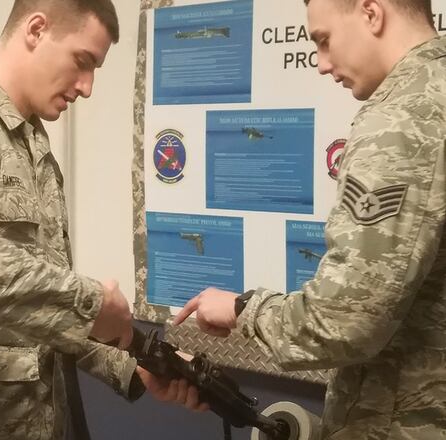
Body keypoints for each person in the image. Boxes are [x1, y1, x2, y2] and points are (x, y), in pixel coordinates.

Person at [0, 1, 204, 439]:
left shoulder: (31, 143)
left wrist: (133, 363)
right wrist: (91, 304)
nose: (87, 87)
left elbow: (30, 310)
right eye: (82, 62)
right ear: (36, 29)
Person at [173, 0, 446, 438]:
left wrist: (242, 310)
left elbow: (345, 320)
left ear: (371, 13)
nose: (320, 63)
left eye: (323, 40)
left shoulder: (403, 118)